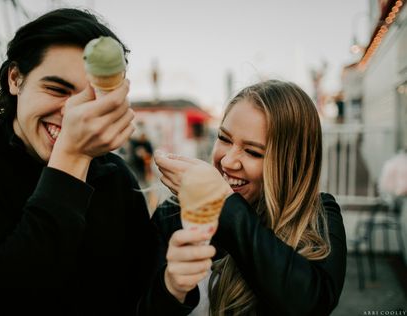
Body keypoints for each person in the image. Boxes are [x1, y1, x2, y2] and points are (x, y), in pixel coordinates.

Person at [0, 8, 154, 315]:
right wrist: (72, 155)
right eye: (56, 89)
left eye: (90, 98)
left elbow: (139, 297)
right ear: (15, 79)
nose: (73, 112)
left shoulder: (116, 177)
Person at [138, 80, 347, 315]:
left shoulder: (318, 214)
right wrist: (171, 288)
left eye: (253, 152)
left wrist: (223, 203)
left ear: (292, 163)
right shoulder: (173, 212)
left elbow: (310, 304)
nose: (227, 161)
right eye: (224, 138)